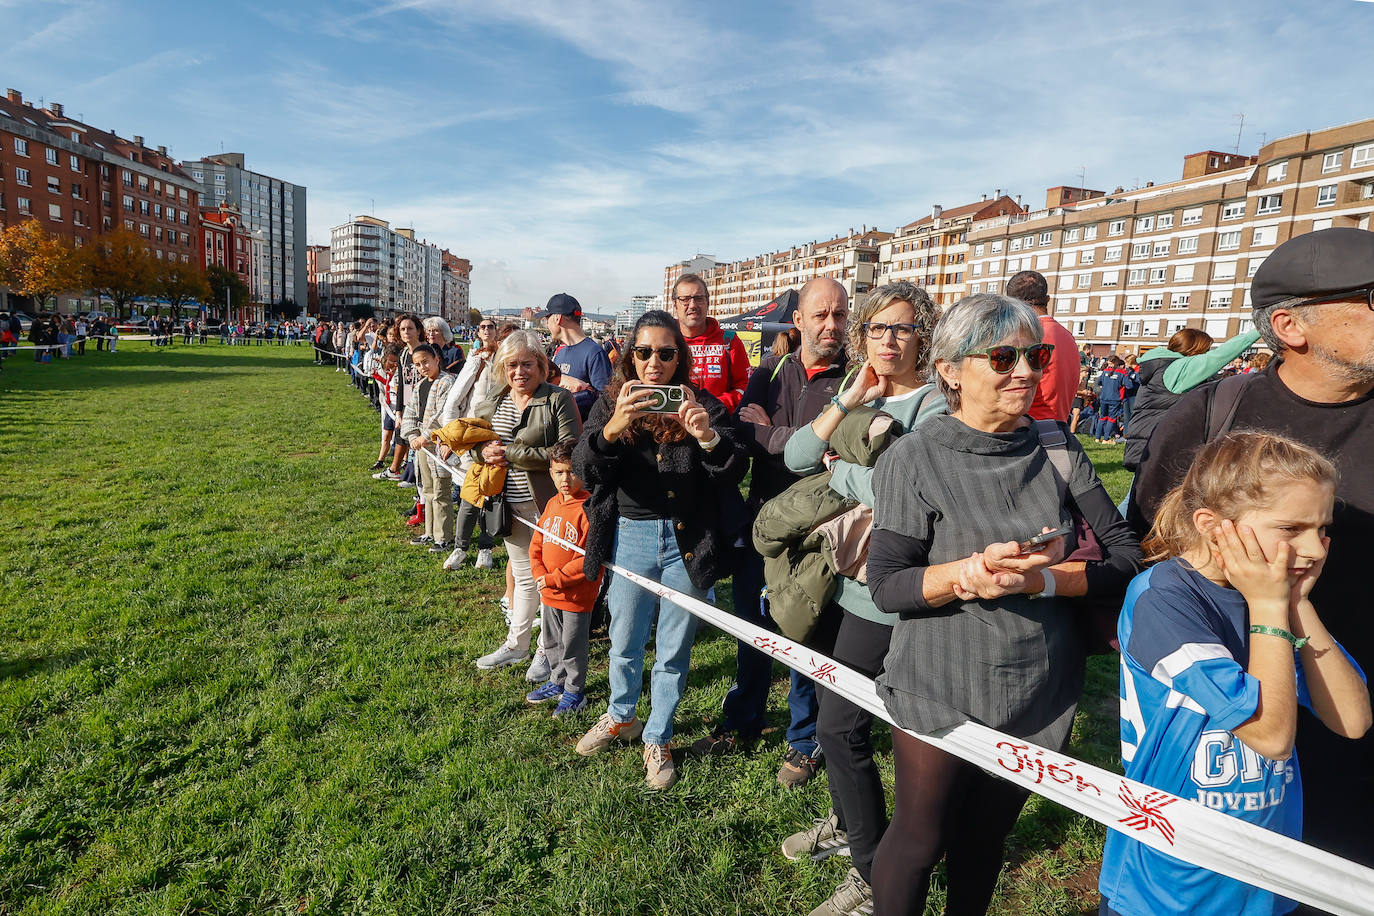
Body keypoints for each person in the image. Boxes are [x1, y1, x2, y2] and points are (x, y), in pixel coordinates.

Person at [865, 293, 1142, 915]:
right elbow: (888, 584)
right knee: (920, 837)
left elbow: (1125, 558)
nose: (1025, 371)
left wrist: (1042, 583)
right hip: (938, 679)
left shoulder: (1057, 447)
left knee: (985, 837)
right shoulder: (915, 457)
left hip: (1037, 686)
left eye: (1034, 355)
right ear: (950, 370)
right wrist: (968, 574)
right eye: (1002, 356)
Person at [1128, 227, 1374, 873]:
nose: (1311, 547)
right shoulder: (1213, 415)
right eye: (1373, 297)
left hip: (1351, 704)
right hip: (1234, 729)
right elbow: (1150, 544)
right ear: (1291, 324)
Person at [1101, 432, 1369, 916]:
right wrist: (1270, 608)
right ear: (1212, 525)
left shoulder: (1272, 594)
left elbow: (1353, 720)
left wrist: (1297, 602)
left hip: (1266, 877)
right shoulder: (1164, 598)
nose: (1314, 548)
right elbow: (1269, 736)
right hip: (1171, 883)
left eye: (1322, 529)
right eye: (1291, 528)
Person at [778, 280, 946, 916]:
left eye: (902, 328)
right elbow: (797, 455)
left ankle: (874, 871)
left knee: (858, 729)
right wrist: (848, 398)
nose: (889, 340)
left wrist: (842, 472)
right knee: (839, 723)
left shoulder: (935, 407)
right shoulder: (858, 393)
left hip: (902, 594)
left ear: (922, 336)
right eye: (877, 328)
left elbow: (904, 491)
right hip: (852, 588)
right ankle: (857, 837)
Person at [572, 310, 747, 789]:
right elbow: (585, 469)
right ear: (630, 356)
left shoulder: (702, 404)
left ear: (680, 357)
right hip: (630, 534)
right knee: (624, 638)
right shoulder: (613, 403)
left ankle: (659, 734)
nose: (654, 363)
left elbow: (733, 467)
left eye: (666, 353)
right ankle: (620, 715)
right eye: (644, 352)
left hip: (687, 540)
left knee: (674, 646)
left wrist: (706, 435)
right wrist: (612, 431)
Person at [693, 275, 850, 790]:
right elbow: (741, 432)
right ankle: (744, 719)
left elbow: (838, 457)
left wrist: (775, 436)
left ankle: (804, 741)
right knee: (753, 630)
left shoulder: (854, 382)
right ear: (798, 320)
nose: (831, 326)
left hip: (817, 532)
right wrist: (800, 442)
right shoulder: (774, 368)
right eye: (821, 315)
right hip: (761, 523)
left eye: (840, 315)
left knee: (805, 637)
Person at [471, 331, 582, 672]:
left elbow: (571, 451)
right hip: (508, 505)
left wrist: (514, 454)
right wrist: (482, 451)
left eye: (527, 364)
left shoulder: (558, 399)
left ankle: (547, 652)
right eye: (512, 365)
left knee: (550, 579)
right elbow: (476, 437)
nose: (519, 372)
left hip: (548, 506)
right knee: (522, 575)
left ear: (542, 366)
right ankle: (517, 644)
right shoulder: (495, 398)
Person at [525, 438, 603, 719]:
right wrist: (539, 574)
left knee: (572, 645)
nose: (566, 479)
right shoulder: (551, 504)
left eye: (572, 471)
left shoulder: (590, 508)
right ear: (551, 473)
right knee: (552, 642)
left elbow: (588, 559)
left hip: (575, 596)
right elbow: (537, 543)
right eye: (559, 472)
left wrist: (555, 578)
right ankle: (557, 681)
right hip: (548, 592)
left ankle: (574, 690)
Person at [1121, 326, 1260, 472]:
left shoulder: (1162, 365)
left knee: (1141, 492)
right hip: (1160, 448)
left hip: (1150, 445)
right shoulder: (1179, 369)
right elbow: (1220, 356)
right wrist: (1261, 329)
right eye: (1205, 351)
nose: (1207, 354)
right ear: (1194, 351)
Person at [439, 316, 501, 572]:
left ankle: (485, 549)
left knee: (491, 495)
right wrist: (451, 438)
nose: (486, 330)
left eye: (490, 327)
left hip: (497, 434)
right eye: (482, 326)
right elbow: (455, 399)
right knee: (468, 498)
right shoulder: (474, 360)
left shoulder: (503, 362)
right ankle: (460, 547)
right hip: (470, 435)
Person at [401, 343, 458, 553]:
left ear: (436, 359)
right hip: (422, 448)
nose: (422, 367)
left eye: (425, 361)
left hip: (439, 446)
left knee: (441, 491)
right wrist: (412, 435)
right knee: (427, 490)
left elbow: (443, 413)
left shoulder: (447, 382)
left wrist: (425, 436)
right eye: (417, 364)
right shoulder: (420, 385)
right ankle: (430, 532)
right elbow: (410, 413)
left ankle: (444, 537)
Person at [1006, 270, 1079, 423]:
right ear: (1047, 299)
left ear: (1012, 304)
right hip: (1059, 430)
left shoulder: (1023, 336)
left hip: (1028, 430)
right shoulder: (1068, 336)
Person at [671, 272, 751, 411]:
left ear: (708, 302)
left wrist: (713, 406)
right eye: (685, 299)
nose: (692, 305)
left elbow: (745, 385)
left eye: (699, 298)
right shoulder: (666, 341)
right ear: (674, 304)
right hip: (674, 424)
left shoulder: (729, 341)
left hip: (717, 423)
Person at [541, 293, 612, 420]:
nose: (547, 325)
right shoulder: (559, 352)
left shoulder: (594, 352)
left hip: (582, 432)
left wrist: (582, 391)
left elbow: (607, 401)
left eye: (547, 319)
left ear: (558, 318)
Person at [373, 314, 423, 482]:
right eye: (402, 329)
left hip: (423, 405)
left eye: (410, 328)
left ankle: (413, 478)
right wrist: (399, 412)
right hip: (407, 404)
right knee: (401, 434)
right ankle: (398, 471)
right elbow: (401, 384)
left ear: (418, 330)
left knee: (417, 442)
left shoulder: (425, 351)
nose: (406, 332)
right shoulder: (402, 355)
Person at [1093, 356, 1127, 443]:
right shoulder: (1121, 373)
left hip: (1104, 397)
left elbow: (1099, 382)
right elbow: (1128, 385)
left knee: (1102, 417)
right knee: (1111, 418)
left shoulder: (1105, 371)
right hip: (1115, 398)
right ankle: (1106, 438)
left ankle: (1097, 438)